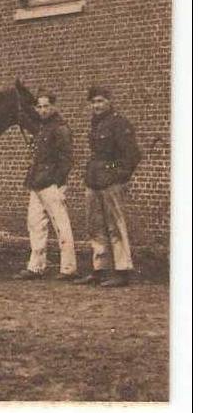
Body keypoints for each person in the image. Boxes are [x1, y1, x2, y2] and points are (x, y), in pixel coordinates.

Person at [74, 86, 142, 288]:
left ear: (110, 102)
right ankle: (100, 268)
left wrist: (114, 174)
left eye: (101, 101)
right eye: (94, 102)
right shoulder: (96, 124)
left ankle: (122, 270)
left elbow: (131, 156)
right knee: (94, 226)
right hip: (94, 180)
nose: (97, 105)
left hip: (110, 183)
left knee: (115, 226)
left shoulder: (119, 124)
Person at [15, 91, 77, 281]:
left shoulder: (60, 128)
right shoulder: (42, 128)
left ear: (54, 106)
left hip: (51, 184)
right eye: (39, 107)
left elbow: (66, 159)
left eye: (46, 106)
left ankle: (68, 268)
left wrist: (57, 182)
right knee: (35, 224)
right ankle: (36, 266)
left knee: (61, 225)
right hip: (37, 183)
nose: (42, 110)